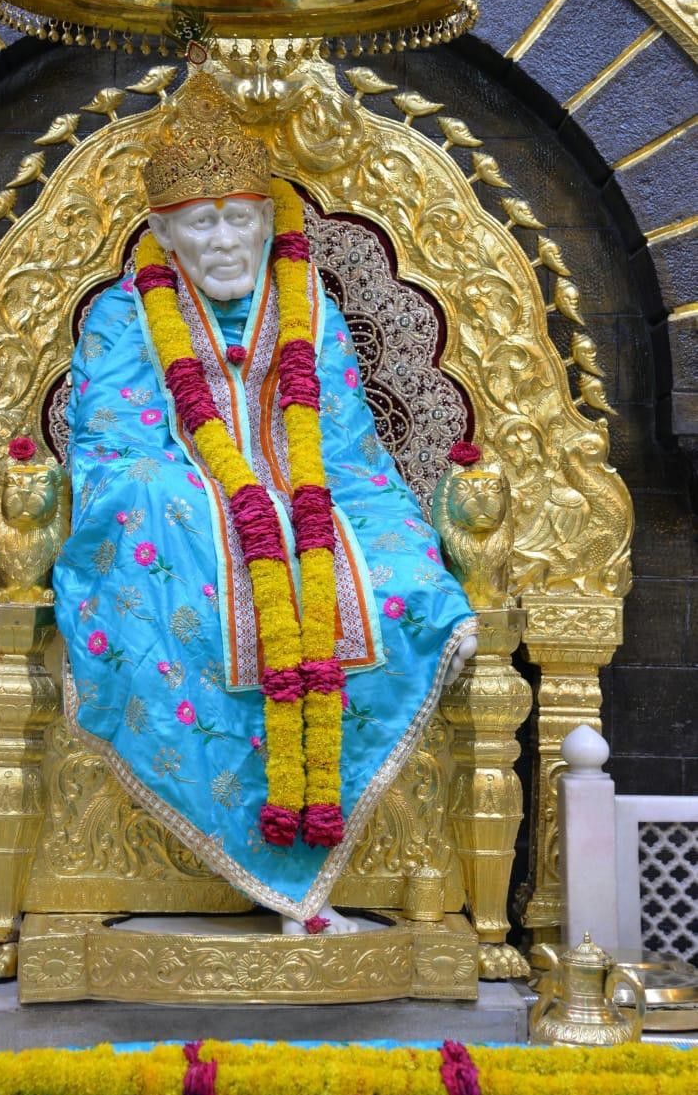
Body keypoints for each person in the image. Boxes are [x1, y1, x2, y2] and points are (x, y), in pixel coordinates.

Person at [54, 74, 476, 935]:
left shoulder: (306, 307)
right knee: (152, 503)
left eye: (238, 219)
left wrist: (414, 562)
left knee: (407, 585)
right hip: (183, 520)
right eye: (200, 223)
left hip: (317, 508)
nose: (221, 241)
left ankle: (338, 853)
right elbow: (115, 451)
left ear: (267, 222)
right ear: (162, 233)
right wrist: (227, 507)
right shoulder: (122, 315)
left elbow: (350, 453)